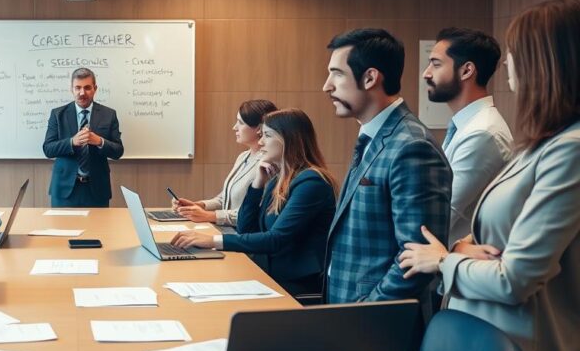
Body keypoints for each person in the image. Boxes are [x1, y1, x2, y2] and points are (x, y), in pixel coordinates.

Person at [400, 0, 580, 351]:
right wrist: (462, 248)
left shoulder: (570, 150)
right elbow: (489, 237)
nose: (509, 62)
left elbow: (515, 278)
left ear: (547, 61)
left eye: (517, 51)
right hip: (476, 332)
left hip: (507, 348)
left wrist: (443, 260)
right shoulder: (541, 143)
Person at [322, 28, 451, 305]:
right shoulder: (374, 136)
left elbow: (416, 259)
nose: (327, 85)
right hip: (347, 312)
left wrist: (367, 311)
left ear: (370, 77)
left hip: (376, 324)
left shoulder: (412, 147)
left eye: (337, 73)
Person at [170, 109, 337, 296]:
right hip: (268, 272)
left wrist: (212, 241)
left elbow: (276, 239)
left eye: (267, 135)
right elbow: (246, 229)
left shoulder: (311, 183)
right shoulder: (277, 178)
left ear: (288, 139)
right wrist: (257, 185)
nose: (261, 142)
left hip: (294, 282)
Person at [423, 27, 513, 243]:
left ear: (466, 71)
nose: (426, 73)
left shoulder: (482, 133)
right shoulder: (469, 125)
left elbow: (441, 214)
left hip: (460, 265)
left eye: (436, 64)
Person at [172, 99, 277, 225]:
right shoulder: (244, 156)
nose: (234, 127)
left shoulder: (268, 164)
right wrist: (199, 206)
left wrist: (210, 216)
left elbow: (256, 213)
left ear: (259, 128)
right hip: (228, 229)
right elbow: (225, 199)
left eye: (240, 122)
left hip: (244, 235)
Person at [42, 67, 124, 207]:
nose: (82, 93)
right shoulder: (57, 114)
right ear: (71, 89)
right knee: (63, 229)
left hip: (97, 190)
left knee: (98, 229)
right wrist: (72, 142)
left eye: (87, 87)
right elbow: (48, 149)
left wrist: (99, 141)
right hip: (64, 190)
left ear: (95, 88)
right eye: (77, 88)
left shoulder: (109, 114)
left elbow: (118, 151)